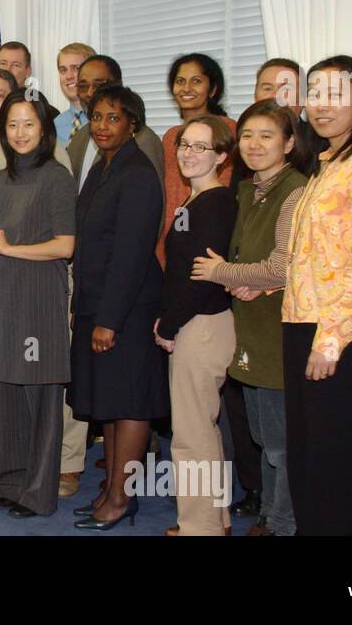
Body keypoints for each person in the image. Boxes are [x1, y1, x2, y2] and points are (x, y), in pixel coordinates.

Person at [282, 55, 352, 536]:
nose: (321, 106)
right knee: (306, 464)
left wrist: (331, 339)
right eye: (315, 94)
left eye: (336, 95)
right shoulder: (326, 164)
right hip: (300, 325)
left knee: (330, 469)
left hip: (341, 336)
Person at [190, 99, 313, 537]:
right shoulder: (246, 189)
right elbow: (250, 258)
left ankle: (284, 524)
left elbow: (283, 266)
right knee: (263, 436)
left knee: (280, 442)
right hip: (250, 327)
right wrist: (243, 279)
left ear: (289, 143)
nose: (255, 144)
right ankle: (271, 517)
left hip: (280, 332)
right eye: (247, 135)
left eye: (267, 135)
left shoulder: (295, 190)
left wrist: (222, 272)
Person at [69, 85, 165, 531]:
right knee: (108, 401)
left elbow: (131, 254)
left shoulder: (139, 174)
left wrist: (108, 319)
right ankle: (109, 489)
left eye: (113, 118)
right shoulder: (103, 167)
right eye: (97, 117)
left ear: (132, 125)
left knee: (129, 404)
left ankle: (121, 500)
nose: (102, 126)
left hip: (127, 310)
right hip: (97, 303)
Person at [0, 91, 76, 518]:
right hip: (6, 295)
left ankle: (39, 494)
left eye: (29, 124)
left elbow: (65, 245)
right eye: (13, 124)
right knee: (8, 391)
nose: (20, 133)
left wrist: (10, 249)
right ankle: (13, 482)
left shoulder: (56, 177)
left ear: (44, 130)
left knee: (41, 396)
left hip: (40, 295)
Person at [154, 115, 237, 536]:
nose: (188, 153)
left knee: (190, 437)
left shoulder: (217, 203)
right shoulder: (195, 200)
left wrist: (168, 325)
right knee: (203, 430)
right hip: (195, 323)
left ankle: (198, 529)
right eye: (185, 144)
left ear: (222, 156)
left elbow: (203, 280)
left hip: (201, 327)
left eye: (200, 147)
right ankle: (214, 521)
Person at [159, 53, 235, 264]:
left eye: (197, 81)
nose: (186, 88)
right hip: (173, 235)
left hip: (207, 238)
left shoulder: (227, 130)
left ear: (213, 90)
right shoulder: (171, 136)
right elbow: (173, 194)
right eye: (180, 81)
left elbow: (223, 192)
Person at [55, 54, 165, 191]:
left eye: (98, 85)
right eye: (83, 86)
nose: (90, 93)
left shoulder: (142, 138)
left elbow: (153, 198)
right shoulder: (80, 136)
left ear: (118, 85)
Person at [0, 40, 59, 120]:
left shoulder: (46, 113)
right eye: (3, 63)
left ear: (27, 71)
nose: (8, 70)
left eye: (16, 65)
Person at [54, 42, 97, 145]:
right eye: (63, 70)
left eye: (76, 68)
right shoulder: (54, 126)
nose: (69, 76)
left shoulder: (105, 122)